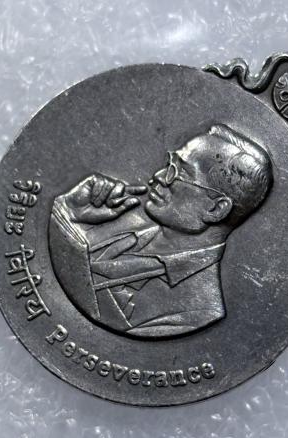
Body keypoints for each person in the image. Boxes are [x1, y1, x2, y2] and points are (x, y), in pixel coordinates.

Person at [49, 124, 273, 338]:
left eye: (179, 172)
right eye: (170, 164)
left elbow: (94, 337)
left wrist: (62, 224)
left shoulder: (195, 314)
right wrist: (68, 213)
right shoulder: (115, 230)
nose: (159, 176)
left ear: (215, 209)